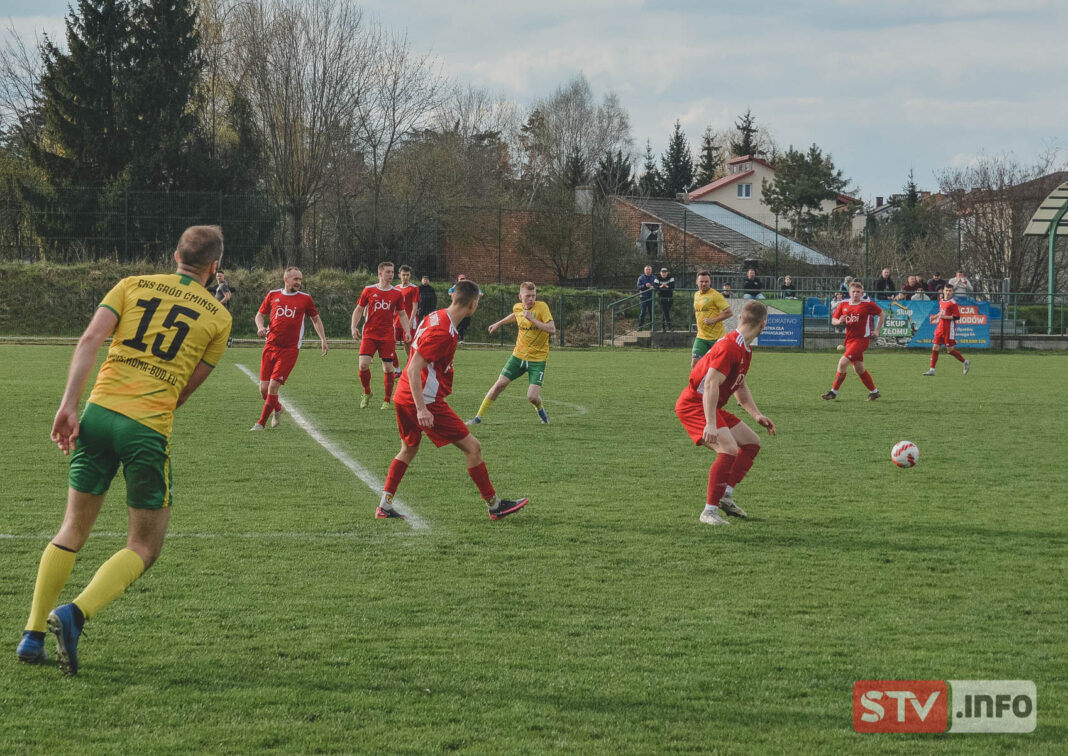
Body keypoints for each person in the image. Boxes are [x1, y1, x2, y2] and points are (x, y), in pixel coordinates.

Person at [16, 226, 232, 675]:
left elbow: (90, 340)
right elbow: (185, 392)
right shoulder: (219, 316)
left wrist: (68, 405)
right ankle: (74, 614)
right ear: (214, 268)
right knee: (144, 545)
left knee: (72, 529)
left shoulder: (131, 284)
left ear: (175, 255)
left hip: (96, 416)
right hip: (145, 427)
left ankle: (31, 635)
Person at [375, 279, 528, 522]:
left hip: (404, 394)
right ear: (473, 304)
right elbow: (415, 369)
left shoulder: (435, 316)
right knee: (472, 447)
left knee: (409, 448)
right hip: (424, 399)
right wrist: (423, 408)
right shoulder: (442, 332)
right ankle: (495, 506)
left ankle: (384, 505)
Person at [674, 300, 777, 526]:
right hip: (694, 404)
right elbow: (711, 384)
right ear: (764, 325)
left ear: (740, 318)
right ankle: (709, 511)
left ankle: (725, 495)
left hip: (709, 405)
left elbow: (739, 385)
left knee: (751, 442)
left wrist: (756, 415)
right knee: (729, 448)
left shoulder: (744, 349)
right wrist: (710, 423)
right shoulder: (729, 346)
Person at [468, 280, 555, 424]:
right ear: (520, 297)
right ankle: (477, 418)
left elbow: (552, 329)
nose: (531, 299)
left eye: (533, 295)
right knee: (498, 385)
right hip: (518, 356)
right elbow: (515, 315)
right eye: (528, 296)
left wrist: (532, 320)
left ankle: (540, 410)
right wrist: (498, 323)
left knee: (532, 397)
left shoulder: (542, 307)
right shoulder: (518, 308)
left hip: (537, 359)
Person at [251, 267, 329, 430]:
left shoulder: (305, 299)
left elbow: (316, 319)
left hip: (289, 349)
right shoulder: (273, 295)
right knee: (264, 390)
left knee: (273, 387)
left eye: (300, 279)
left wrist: (323, 339)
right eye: (296, 279)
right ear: (286, 279)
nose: (299, 282)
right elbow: (260, 314)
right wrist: (260, 326)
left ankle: (261, 423)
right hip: (270, 346)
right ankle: (278, 408)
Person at [351, 262, 411, 410]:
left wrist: (407, 331)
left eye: (392, 272)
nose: (391, 275)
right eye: (388, 272)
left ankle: (386, 399)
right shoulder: (369, 290)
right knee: (363, 364)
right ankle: (367, 393)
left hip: (387, 335)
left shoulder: (397, 293)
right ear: (380, 274)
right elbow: (359, 309)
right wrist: (353, 327)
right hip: (370, 333)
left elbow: (402, 314)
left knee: (388, 368)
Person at [822, 280, 886, 401]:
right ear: (849, 292)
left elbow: (882, 314)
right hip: (849, 340)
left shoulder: (867, 304)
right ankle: (874, 392)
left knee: (842, 363)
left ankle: (833, 392)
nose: (856, 294)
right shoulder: (843, 304)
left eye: (858, 291)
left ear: (862, 292)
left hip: (861, 340)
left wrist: (877, 331)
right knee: (859, 368)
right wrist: (840, 321)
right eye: (853, 291)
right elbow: (833, 320)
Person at [923, 283, 970, 376]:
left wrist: (944, 317)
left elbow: (956, 317)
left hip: (949, 329)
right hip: (940, 328)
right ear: (943, 291)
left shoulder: (953, 303)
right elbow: (941, 312)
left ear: (952, 292)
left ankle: (965, 362)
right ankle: (932, 369)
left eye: (950, 291)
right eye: (946, 290)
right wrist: (935, 316)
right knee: (935, 347)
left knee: (950, 350)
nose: (948, 292)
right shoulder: (941, 301)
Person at [691, 271, 733, 368]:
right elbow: (698, 311)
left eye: (706, 281)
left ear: (710, 282)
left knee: (718, 367)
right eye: (701, 281)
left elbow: (729, 312)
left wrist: (712, 320)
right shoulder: (696, 294)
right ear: (696, 282)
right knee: (695, 363)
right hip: (701, 337)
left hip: (717, 338)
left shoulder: (716, 295)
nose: (704, 283)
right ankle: (701, 383)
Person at [390, 264, 420, 392]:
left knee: (408, 347)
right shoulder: (395, 288)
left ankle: (410, 369)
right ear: (399, 275)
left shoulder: (414, 288)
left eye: (407, 275)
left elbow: (415, 307)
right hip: (396, 322)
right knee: (390, 344)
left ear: (410, 276)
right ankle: (397, 369)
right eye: (403, 275)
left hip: (409, 322)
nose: (405, 277)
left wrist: (411, 320)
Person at [448, 274, 482, 344]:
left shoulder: (468, 287)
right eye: (461, 279)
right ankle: (458, 337)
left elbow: (480, 293)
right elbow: (450, 292)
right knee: (458, 323)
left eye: (463, 279)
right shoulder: (456, 287)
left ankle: (458, 336)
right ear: (458, 280)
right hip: (458, 308)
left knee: (465, 323)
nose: (462, 281)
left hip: (467, 308)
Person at [214, 270, 234, 346]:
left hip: (221, 309)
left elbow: (227, 297)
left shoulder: (223, 285)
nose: (218, 277)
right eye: (217, 276)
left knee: (219, 325)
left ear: (223, 276)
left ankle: (227, 339)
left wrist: (219, 304)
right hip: (222, 308)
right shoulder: (223, 285)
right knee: (220, 325)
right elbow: (229, 294)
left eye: (220, 276)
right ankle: (227, 339)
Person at [653, 266, 675, 331]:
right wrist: (662, 286)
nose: (664, 274)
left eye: (665, 273)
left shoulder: (671, 277)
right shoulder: (657, 278)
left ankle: (663, 327)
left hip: (670, 297)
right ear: (660, 273)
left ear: (667, 273)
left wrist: (666, 286)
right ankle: (670, 326)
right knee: (665, 311)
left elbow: (672, 286)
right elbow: (655, 287)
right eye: (662, 273)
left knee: (666, 312)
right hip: (661, 297)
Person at [636, 265, 656, 330]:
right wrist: (645, 285)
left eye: (649, 269)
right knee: (642, 312)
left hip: (651, 297)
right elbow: (638, 287)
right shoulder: (641, 277)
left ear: (651, 270)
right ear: (644, 270)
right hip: (643, 297)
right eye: (647, 269)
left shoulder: (654, 277)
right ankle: (640, 327)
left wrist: (653, 287)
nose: (648, 271)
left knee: (651, 313)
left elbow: (657, 286)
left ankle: (652, 328)